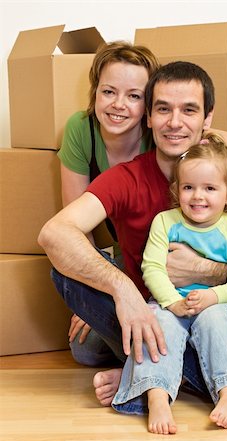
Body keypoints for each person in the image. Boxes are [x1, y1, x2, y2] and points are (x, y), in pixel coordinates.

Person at [38, 61, 227, 409]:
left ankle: (158, 375)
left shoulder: (223, 174)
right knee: (64, 271)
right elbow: (53, 233)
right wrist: (123, 290)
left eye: (188, 110)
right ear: (148, 117)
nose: (174, 123)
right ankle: (209, 372)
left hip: (220, 315)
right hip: (152, 319)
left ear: (207, 120)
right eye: (163, 109)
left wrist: (205, 270)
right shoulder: (127, 178)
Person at [111, 134, 227, 433]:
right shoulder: (165, 222)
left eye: (210, 188)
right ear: (176, 190)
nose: (198, 196)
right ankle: (157, 397)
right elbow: (152, 267)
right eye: (189, 187)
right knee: (156, 324)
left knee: (220, 321)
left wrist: (212, 297)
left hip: (213, 306)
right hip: (172, 305)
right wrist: (170, 301)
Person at [57, 41, 160, 366]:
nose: (119, 105)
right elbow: (77, 230)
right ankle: (157, 359)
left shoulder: (160, 134)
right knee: (85, 350)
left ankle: (147, 366)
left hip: (159, 258)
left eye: (134, 96)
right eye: (109, 92)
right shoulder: (80, 129)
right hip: (118, 258)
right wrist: (95, 296)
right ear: (95, 92)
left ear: (149, 104)